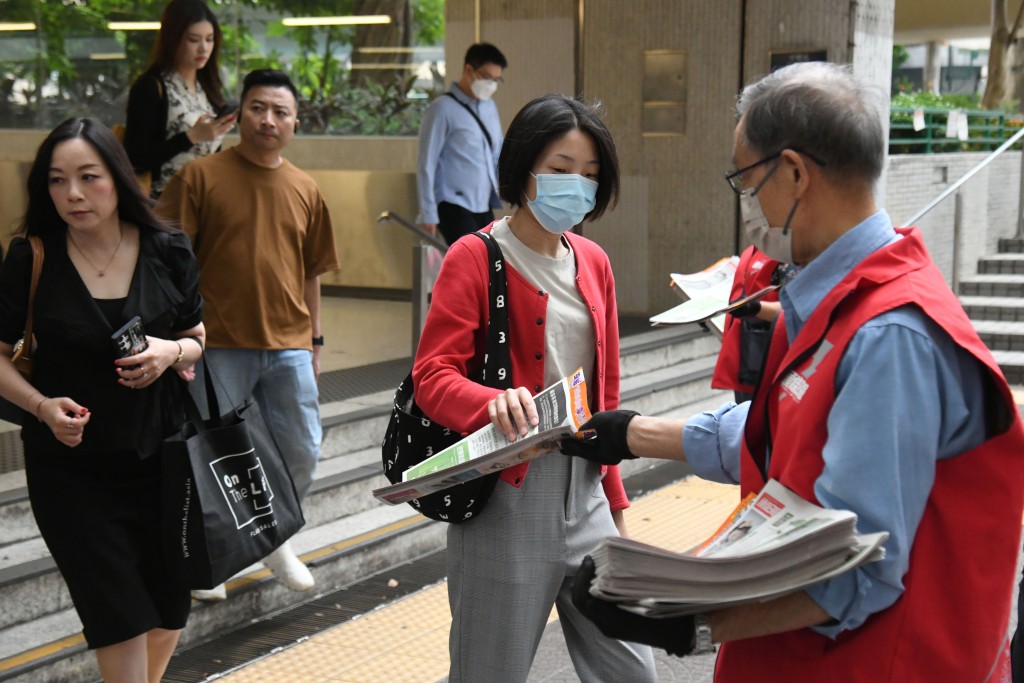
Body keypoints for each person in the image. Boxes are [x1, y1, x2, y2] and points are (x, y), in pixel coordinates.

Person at [564, 62, 1024, 680]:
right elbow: (781, 432)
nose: (745, 205)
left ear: (795, 173)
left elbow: (856, 565)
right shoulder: (839, 300)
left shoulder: (888, 335)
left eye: (744, 179)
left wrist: (686, 622)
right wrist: (632, 432)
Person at [412, 93, 657, 683]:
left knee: (633, 669)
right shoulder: (474, 256)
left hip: (587, 492)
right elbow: (432, 376)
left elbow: (607, 396)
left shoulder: (593, 260)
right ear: (523, 168)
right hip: (506, 499)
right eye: (561, 169)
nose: (578, 185)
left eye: (591, 175)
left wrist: (617, 503)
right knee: (487, 673)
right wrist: (489, 402)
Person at [0, 118, 206, 682]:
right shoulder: (32, 258)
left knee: (168, 612)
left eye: (88, 177)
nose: (72, 194)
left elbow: (198, 338)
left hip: (163, 461)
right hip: (72, 474)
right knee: (119, 618)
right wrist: (41, 406)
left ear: (118, 179)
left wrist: (171, 352)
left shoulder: (168, 249)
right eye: (57, 180)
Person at [157, 68, 339, 601]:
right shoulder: (201, 177)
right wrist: (176, 339)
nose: (268, 120)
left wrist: (317, 343)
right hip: (216, 345)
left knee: (301, 447)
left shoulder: (306, 188)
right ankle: (216, 556)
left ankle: (270, 535)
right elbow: (168, 261)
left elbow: (312, 273)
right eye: (258, 107)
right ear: (240, 114)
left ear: (295, 123)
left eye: (281, 111)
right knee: (215, 452)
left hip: (289, 343)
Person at [123, 0, 237, 198]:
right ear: (173, 39)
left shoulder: (208, 88)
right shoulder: (151, 87)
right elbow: (135, 158)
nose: (203, 49)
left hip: (204, 199)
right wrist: (190, 137)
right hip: (163, 203)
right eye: (194, 40)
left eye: (209, 39)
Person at [416, 42, 507, 246]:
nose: (491, 84)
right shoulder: (442, 109)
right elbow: (426, 164)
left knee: (489, 262)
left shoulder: (489, 108)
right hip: (453, 205)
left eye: (496, 79)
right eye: (486, 77)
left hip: (483, 203)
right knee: (472, 262)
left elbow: (496, 153)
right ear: (469, 70)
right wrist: (428, 212)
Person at [710, 245, 787, 402]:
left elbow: (800, 309)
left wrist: (754, 308)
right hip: (740, 354)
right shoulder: (751, 250)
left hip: (766, 354)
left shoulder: (789, 253)